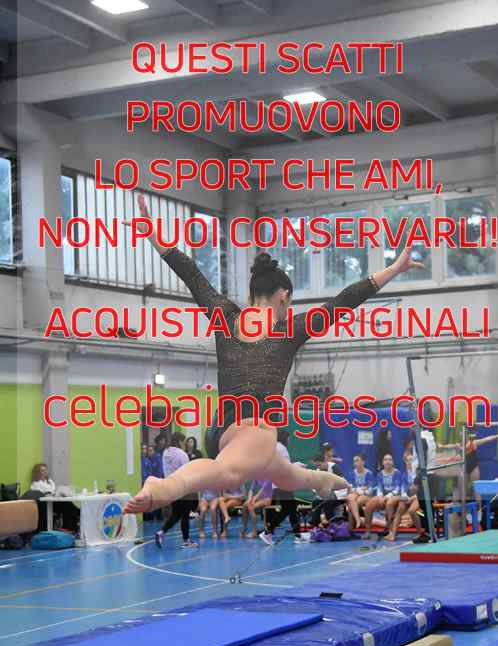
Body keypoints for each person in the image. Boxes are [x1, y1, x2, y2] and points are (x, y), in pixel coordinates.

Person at [124, 193, 425, 517]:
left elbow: (192, 275)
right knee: (227, 474)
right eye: (289, 302)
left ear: (252, 293)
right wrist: (395, 268)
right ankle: (165, 486)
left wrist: (152, 234)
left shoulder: (225, 316)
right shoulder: (288, 330)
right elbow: (344, 300)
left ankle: (326, 481)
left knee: (291, 476)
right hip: (256, 430)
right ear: (284, 296)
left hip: (225, 430)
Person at [153, 432, 198, 549]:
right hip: (182, 487)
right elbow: (188, 471)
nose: (184, 444)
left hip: (170, 486)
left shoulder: (165, 453)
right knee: (185, 515)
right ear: (179, 441)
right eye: (183, 441)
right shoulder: (182, 454)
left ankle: (161, 532)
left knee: (176, 514)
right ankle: (186, 541)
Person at [27, 463, 79, 533]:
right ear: (37, 472)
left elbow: (54, 490)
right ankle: (76, 515)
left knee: (66, 503)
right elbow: (38, 495)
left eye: (45, 470)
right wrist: (49, 494)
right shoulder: (36, 484)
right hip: (46, 504)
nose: (45, 472)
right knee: (66, 505)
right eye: (42, 470)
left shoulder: (49, 481)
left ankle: (71, 526)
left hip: (54, 500)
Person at [362, 454, 402, 539]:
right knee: (369, 505)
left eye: (390, 459)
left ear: (393, 462)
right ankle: (368, 531)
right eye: (385, 459)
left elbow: (397, 488)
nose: (387, 461)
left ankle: (391, 531)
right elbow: (379, 487)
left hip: (395, 496)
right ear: (383, 462)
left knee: (389, 503)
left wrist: (386, 497)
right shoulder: (380, 474)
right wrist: (380, 496)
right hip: (383, 496)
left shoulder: (397, 473)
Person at [385, 452, 419, 542]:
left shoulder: (418, 473)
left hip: (417, 498)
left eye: (411, 460)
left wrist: (412, 497)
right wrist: (405, 496)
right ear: (405, 462)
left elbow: (420, 489)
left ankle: (420, 533)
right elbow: (403, 488)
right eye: (408, 461)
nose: (409, 462)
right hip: (408, 498)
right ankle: (392, 533)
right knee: (400, 508)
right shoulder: (404, 474)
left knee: (413, 511)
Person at [346, 453, 375, 530]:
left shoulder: (369, 473)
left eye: (357, 460)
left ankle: (354, 524)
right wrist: (361, 489)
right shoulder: (351, 473)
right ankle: (357, 521)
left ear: (363, 462)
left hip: (366, 495)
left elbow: (370, 491)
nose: (355, 463)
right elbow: (350, 488)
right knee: (350, 498)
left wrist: (360, 491)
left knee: (355, 501)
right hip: (355, 494)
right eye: (354, 461)